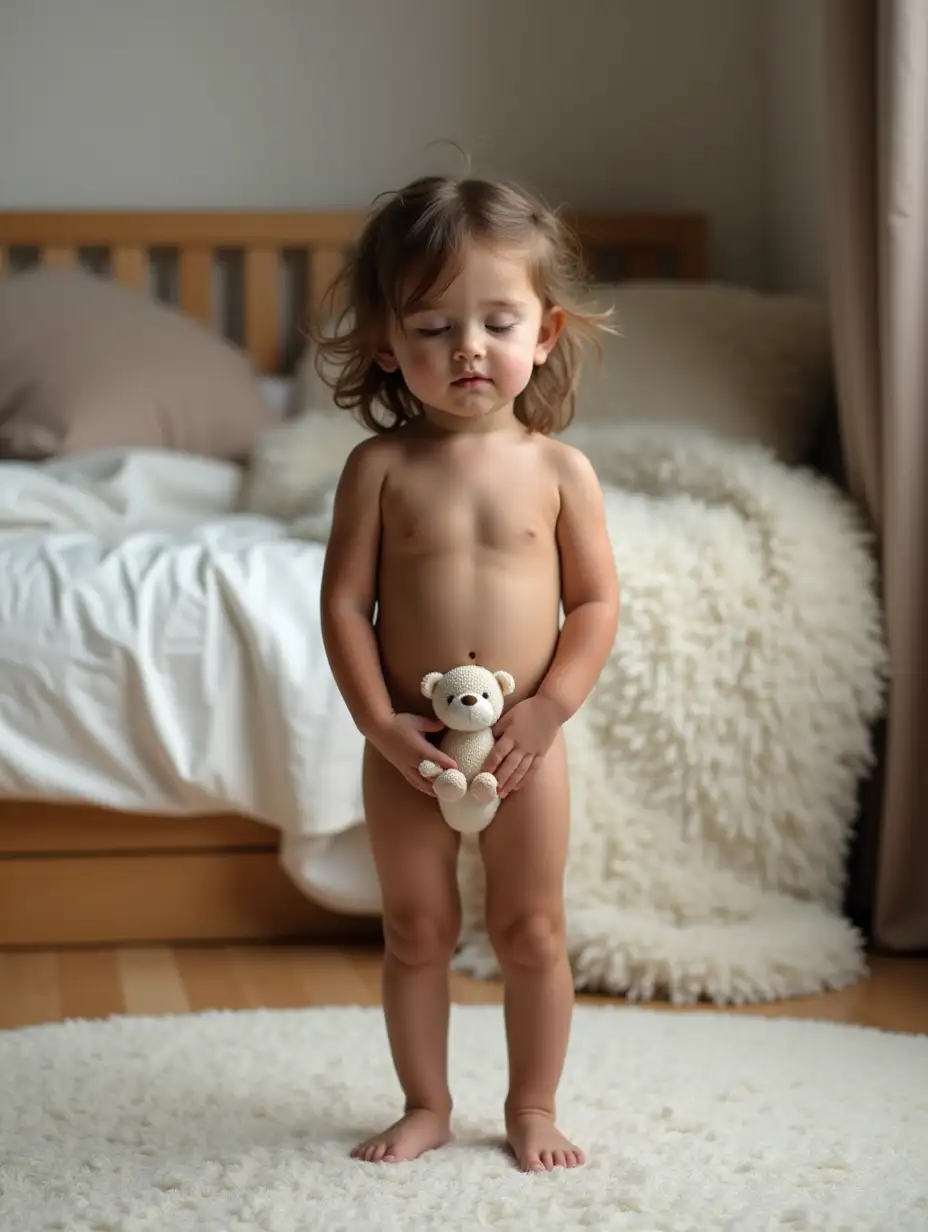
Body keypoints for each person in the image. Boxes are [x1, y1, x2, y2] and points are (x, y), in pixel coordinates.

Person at [316, 174, 620, 1173]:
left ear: (543, 330)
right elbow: (342, 609)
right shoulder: (381, 468)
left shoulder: (558, 470)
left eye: (496, 320)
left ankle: (531, 1105)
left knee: (532, 925)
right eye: (434, 326)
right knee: (415, 925)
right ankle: (426, 1102)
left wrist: (548, 709)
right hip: (410, 750)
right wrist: (377, 723)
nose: (467, 349)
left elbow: (595, 605)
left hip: (527, 751)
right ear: (387, 347)